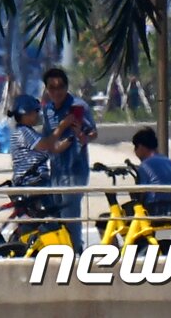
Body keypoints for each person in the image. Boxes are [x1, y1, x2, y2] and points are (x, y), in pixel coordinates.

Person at [39, 67, 97, 252]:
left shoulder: (78, 106)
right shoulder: (47, 110)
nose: (57, 92)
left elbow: (92, 133)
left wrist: (81, 135)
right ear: (47, 89)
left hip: (75, 169)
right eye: (52, 88)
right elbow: (48, 138)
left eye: (61, 87)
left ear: (66, 87)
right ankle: (64, 251)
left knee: (71, 215)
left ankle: (76, 252)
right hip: (56, 168)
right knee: (58, 216)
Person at [7, 94, 70, 186]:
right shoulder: (24, 131)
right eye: (35, 111)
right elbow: (45, 145)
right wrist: (61, 127)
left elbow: (53, 148)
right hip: (29, 181)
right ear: (25, 114)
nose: (37, 114)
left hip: (37, 180)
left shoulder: (29, 131)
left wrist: (71, 138)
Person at [131, 127, 171, 220]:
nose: (135, 152)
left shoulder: (145, 165)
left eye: (136, 147)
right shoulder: (170, 162)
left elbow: (141, 193)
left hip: (154, 210)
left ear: (141, 147)